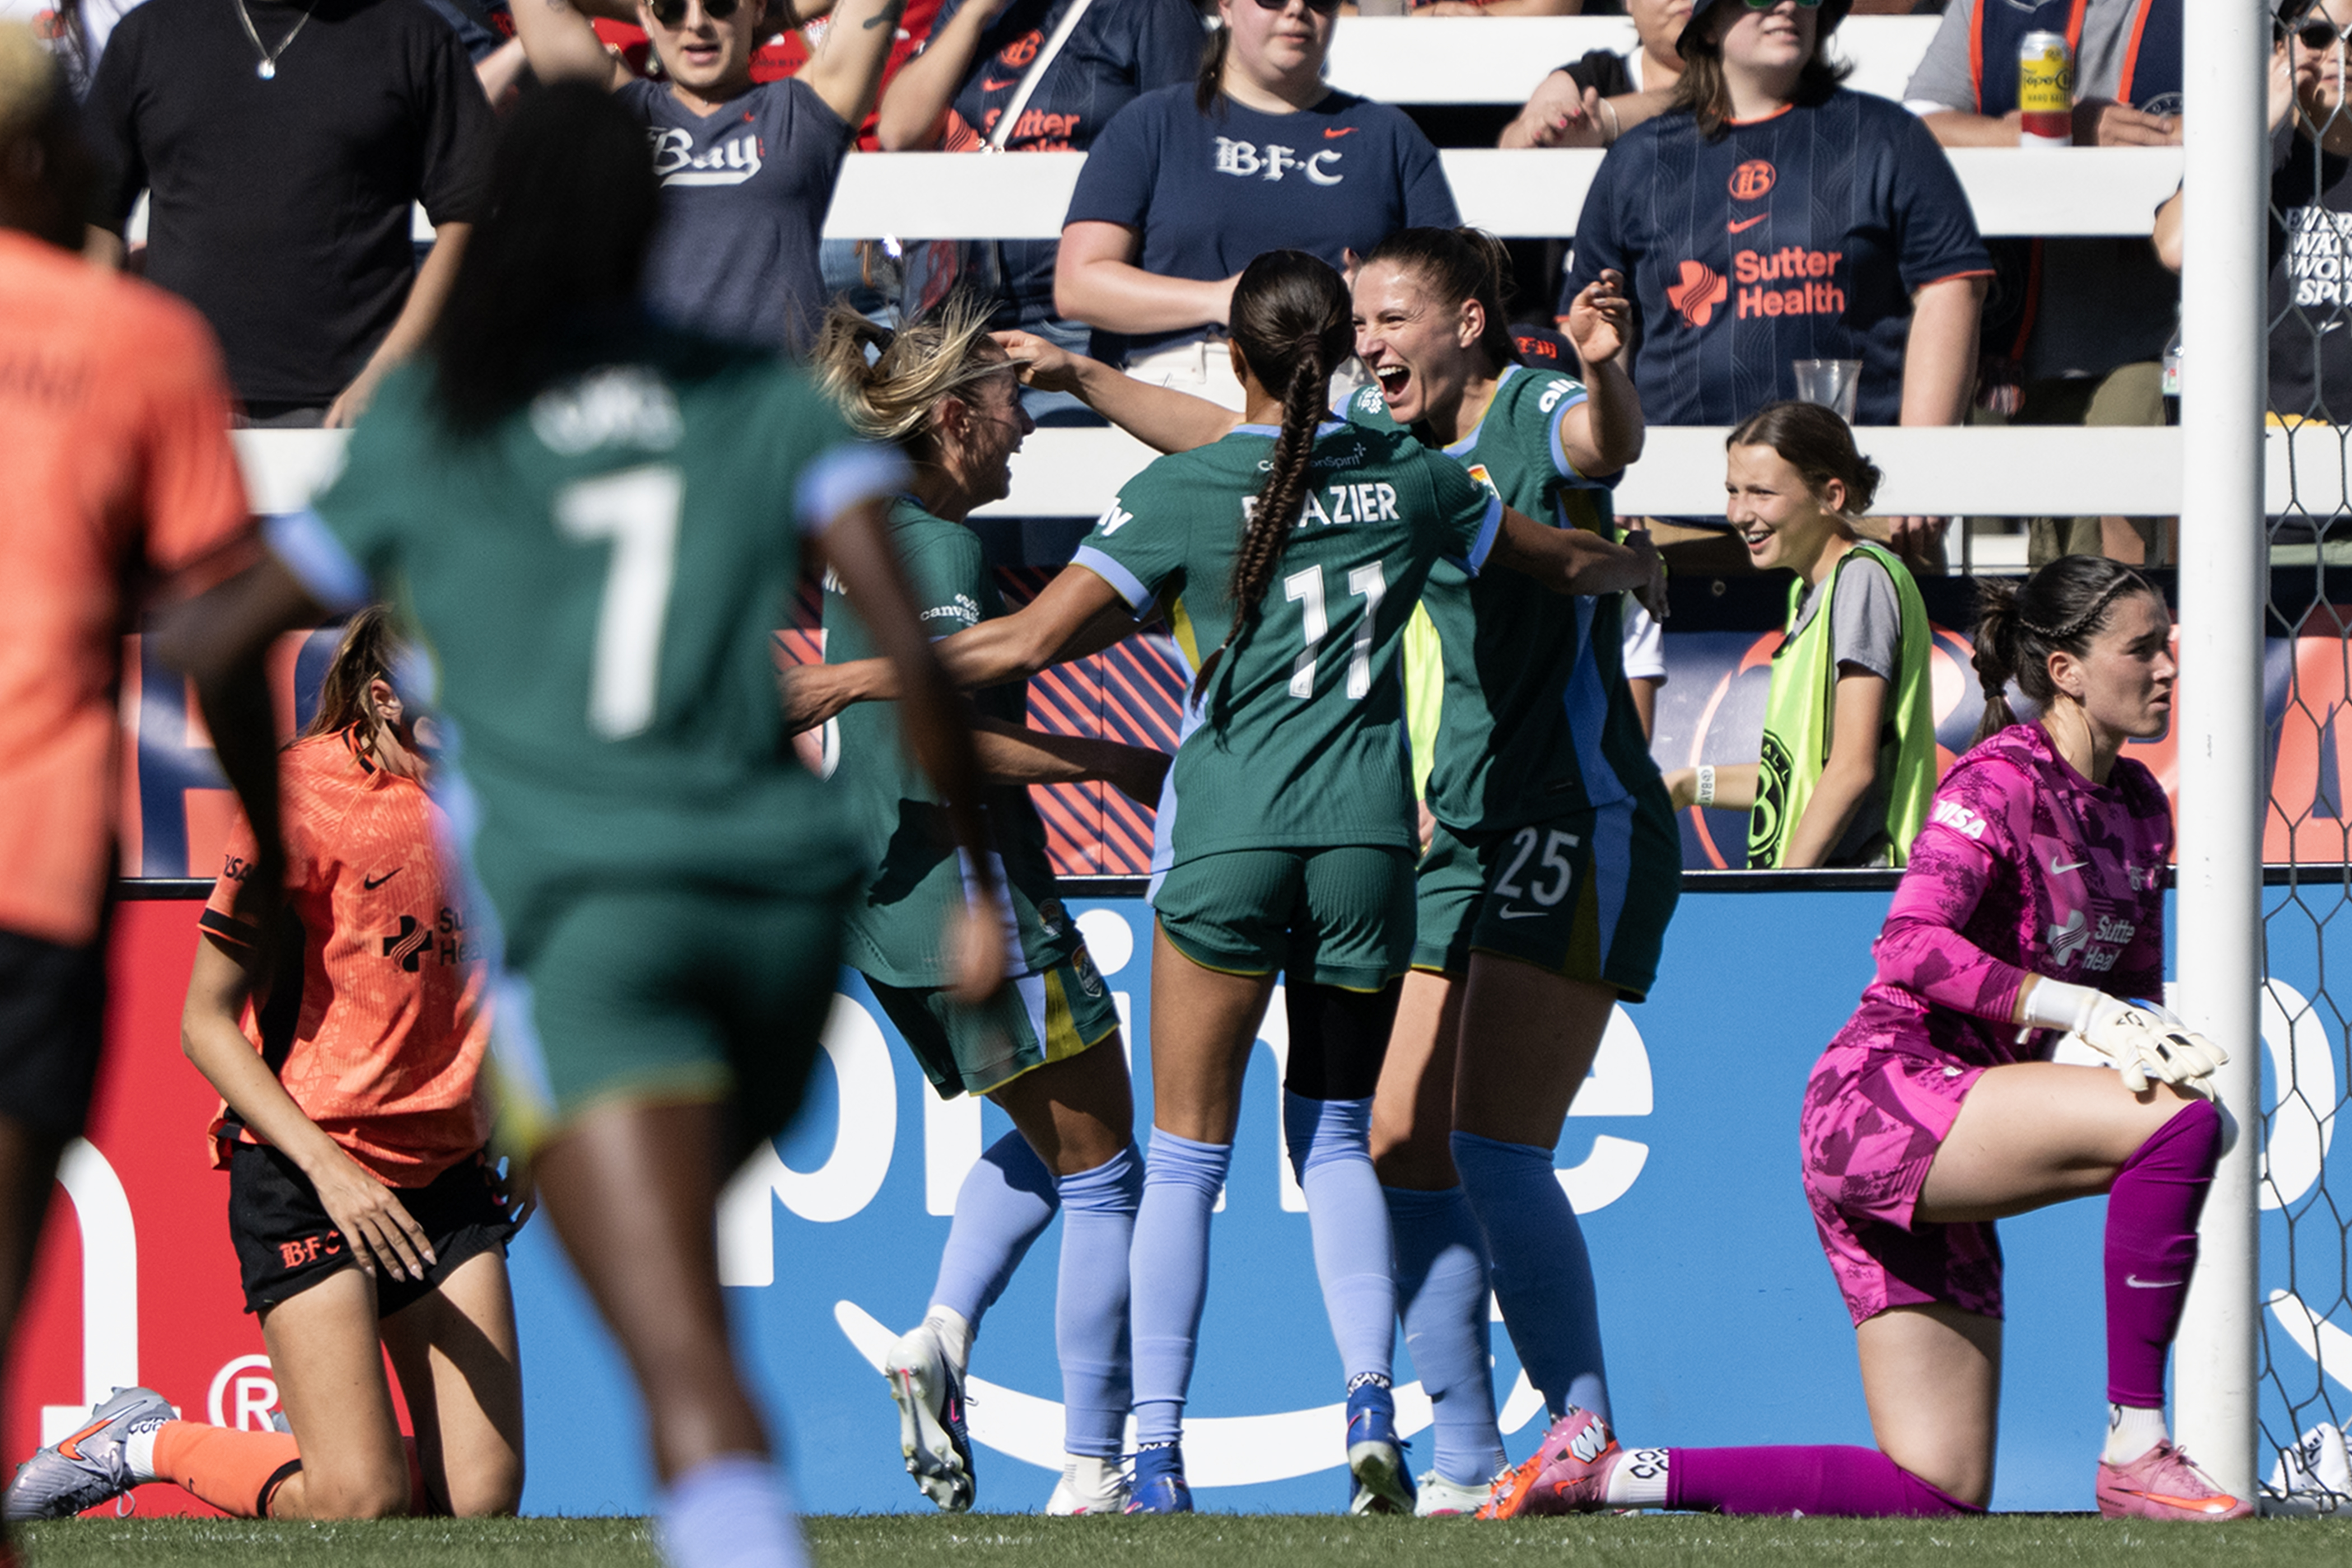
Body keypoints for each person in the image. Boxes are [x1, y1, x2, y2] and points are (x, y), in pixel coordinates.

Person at [146, 83, 1009, 1568]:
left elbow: (225, 644)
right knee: (567, 1413)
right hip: (771, 915)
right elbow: (911, 637)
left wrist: (258, 787)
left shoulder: (446, 407)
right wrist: (986, 877)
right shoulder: (757, 392)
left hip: (599, 921)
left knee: (680, 1365)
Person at [789, 249, 1667, 1515]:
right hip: (1373, 848)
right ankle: (1380, 1418)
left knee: (1175, 1165)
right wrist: (1631, 570)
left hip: (1223, 841)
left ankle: (1143, 1457)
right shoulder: (1412, 475)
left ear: (1237, 359)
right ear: (1333, 360)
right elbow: (1558, 558)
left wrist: (848, 678)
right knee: (1343, 1140)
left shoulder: (1184, 493)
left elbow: (1036, 638)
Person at [1484, 555, 2253, 1524]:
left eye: (2168, 646)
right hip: (1883, 1099)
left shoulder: (2140, 808)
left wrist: (2137, 1023)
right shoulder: (2002, 776)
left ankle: (1604, 1475)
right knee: (2182, 1127)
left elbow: (2130, 993)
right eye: (2143, 649)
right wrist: (2082, 1012)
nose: (2168, 668)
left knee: (1936, 1492)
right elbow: (1908, 944)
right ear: (2065, 670)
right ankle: (2137, 1445)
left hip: (1961, 1116)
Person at [8, 611, 525, 1524]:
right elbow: (203, 1024)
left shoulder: (510, 784)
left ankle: (321, 1452)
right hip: (310, 1169)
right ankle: (142, 1441)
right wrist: (335, 1173)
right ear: (383, 699)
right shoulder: (301, 795)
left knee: (478, 1505)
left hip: (447, 1172)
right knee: (358, 1503)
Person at [808, 297, 1172, 1516]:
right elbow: (939, 738)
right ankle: (1093, 1469)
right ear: (956, 416)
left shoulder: (872, 532)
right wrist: (1109, 762)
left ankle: (941, 1339)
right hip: (967, 891)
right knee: (1114, 1168)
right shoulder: (938, 547)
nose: (1026, 433)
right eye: (1016, 406)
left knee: (1067, 1145)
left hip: (890, 899)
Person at [1332, 227, 1677, 1515]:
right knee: (1400, 1138)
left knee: (1488, 1140)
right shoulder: (1383, 442)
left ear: (1471, 322)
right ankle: (1471, 1464)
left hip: (1573, 815)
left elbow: (1606, 447)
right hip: (1465, 827)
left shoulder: (1534, 404)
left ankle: (1583, 1430)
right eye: (1361, 321)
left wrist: (1609, 371)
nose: (1370, 343)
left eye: (1394, 317)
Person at [0, 26, 282, 1565]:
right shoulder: (136, 339)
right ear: (48, 158)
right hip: (30, 873)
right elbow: (220, 636)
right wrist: (275, 831)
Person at [1564, 0, 1990, 571]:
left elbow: (1953, 287)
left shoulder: (1887, 136)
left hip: (1854, 507)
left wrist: (1919, 466)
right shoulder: (1639, 159)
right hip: (1675, 511)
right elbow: (1597, 331)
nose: (1789, 4)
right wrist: (1615, 473)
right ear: (1708, 24)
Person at [84, 0, 492, 426]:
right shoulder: (147, 34)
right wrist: (105, 360)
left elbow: (472, 216)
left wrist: (389, 373)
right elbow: (96, 216)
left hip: (348, 412)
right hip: (172, 403)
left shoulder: (412, 34)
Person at [1053, 0, 1459, 406]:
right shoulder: (1153, 122)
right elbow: (1079, 285)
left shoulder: (1388, 135)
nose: (1297, 9)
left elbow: (1452, 285)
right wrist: (1221, 300)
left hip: (1345, 383)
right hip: (1187, 379)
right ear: (1226, 6)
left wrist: (1374, 293)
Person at [1903, 0, 2181, 566]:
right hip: (2018, 342)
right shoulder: (1984, 8)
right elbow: (1917, 128)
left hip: (2156, 343)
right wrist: (2048, 132)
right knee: (2045, 579)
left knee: (2111, 576)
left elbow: (2280, 94)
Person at [510, 0, 905, 354]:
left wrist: (759, 18)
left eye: (718, 4)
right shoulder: (617, 116)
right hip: (663, 406)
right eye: (673, 8)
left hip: (778, 410)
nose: (697, 24)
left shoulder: (804, 111)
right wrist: (734, 16)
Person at [873, 0, 1201, 405]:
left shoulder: (1150, 10)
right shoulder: (970, 8)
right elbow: (899, 131)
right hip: (955, 318)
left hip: (1071, 325)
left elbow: (1182, 155)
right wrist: (974, 15)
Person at [1659, 404, 1936, 870]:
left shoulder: (1861, 579)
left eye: (1761, 493)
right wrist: (1690, 785)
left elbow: (1851, 769)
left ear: (1831, 494)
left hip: (1862, 895)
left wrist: (1784, 889)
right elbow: (1794, 780)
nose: (1739, 514)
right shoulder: (1804, 592)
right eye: (1733, 491)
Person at [2153, 0, 2351, 506]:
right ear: (2281, 45)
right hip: (2255, 482)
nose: (2339, 54)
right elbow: (2176, 246)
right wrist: (2254, 125)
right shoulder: (2253, 149)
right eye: (2318, 36)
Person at [1498, 0, 1688, 148]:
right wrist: (1539, 130)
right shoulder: (1594, 76)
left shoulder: (1717, 83)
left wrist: (1606, 119)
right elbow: (1514, 141)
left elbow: (1700, 98)